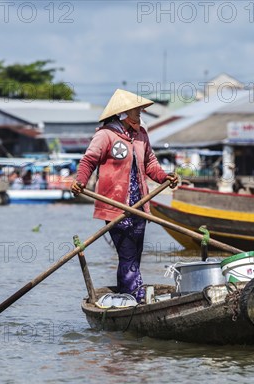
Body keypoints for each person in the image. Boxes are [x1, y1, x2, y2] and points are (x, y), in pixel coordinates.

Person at [71, 89, 178, 303]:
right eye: (136, 109)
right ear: (122, 112)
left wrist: (165, 177)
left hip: (139, 205)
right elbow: (88, 161)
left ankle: (126, 293)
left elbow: (150, 164)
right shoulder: (105, 135)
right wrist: (80, 182)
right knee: (127, 253)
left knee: (134, 255)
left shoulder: (141, 135)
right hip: (115, 206)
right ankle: (134, 296)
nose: (140, 112)